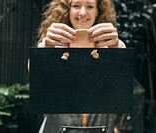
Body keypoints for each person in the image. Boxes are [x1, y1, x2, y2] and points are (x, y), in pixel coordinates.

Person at [37, 0, 126, 133]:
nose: (83, 13)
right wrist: (45, 47)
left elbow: (122, 87)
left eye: (90, 6)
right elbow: (35, 78)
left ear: (98, 11)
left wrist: (115, 48)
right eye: (76, 6)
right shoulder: (51, 44)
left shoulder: (114, 46)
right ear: (67, 9)